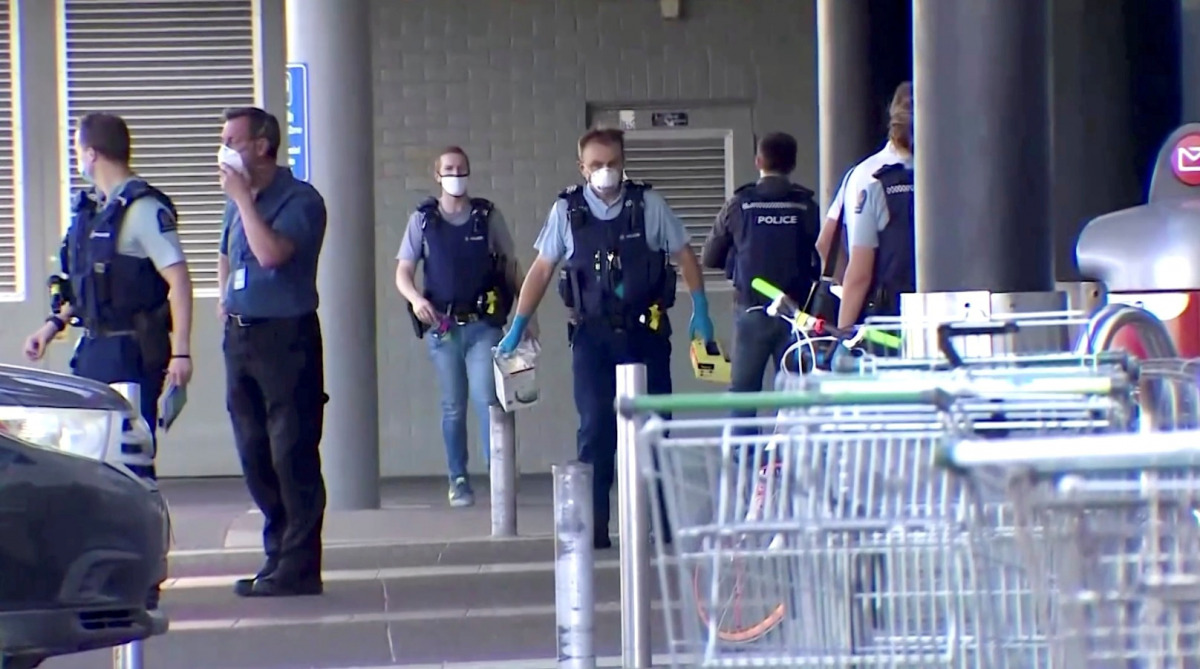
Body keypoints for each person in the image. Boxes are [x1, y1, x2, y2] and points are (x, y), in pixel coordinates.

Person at [496, 127, 714, 549]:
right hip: (592, 336)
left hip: (645, 333)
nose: (605, 171)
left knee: (656, 428)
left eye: (612, 163)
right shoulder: (567, 211)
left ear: (623, 161)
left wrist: (701, 310)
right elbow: (542, 269)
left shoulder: (648, 205)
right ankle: (595, 528)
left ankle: (664, 527)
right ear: (582, 168)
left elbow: (685, 253)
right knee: (596, 429)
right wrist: (518, 326)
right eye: (596, 165)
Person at [23, 112, 194, 468]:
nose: (78, 159)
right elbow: (88, 288)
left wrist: (181, 354)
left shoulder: (144, 210)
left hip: (130, 350)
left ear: (91, 154)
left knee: (126, 456)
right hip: (94, 348)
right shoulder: (94, 211)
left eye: (78, 151)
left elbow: (178, 280)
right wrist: (52, 326)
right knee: (86, 453)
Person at [216, 106, 329, 598]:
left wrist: (243, 200)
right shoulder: (234, 204)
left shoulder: (300, 200)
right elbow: (226, 252)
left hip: (286, 338)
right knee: (254, 452)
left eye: (232, 140)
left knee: (291, 452)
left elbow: (270, 254)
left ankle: (300, 566)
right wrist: (225, 300)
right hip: (241, 336)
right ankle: (276, 554)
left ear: (262, 145)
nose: (224, 150)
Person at [395, 146, 530, 508]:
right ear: (437, 175)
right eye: (449, 169)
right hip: (443, 328)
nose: (456, 175)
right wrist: (416, 299)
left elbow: (510, 266)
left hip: (483, 325)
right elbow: (403, 271)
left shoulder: (486, 217)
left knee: (489, 400)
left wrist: (524, 316)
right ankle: (458, 478)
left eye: (462, 168)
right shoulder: (423, 221)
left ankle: (498, 472)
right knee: (453, 405)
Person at [700, 131, 820, 406]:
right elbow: (825, 255)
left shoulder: (740, 203)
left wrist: (736, 264)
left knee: (743, 395)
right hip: (796, 313)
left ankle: (742, 451)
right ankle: (791, 449)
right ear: (793, 164)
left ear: (758, 161)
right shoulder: (805, 205)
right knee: (796, 397)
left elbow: (709, 256)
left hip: (750, 310)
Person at [816, 81, 916, 289]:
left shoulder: (864, 173)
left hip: (882, 306)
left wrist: (848, 291)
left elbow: (826, 243)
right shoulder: (947, 175)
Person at [837, 82, 915, 328]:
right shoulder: (952, 172)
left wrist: (842, 334)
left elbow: (860, 272)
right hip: (949, 313)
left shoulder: (868, 177)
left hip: (890, 318)